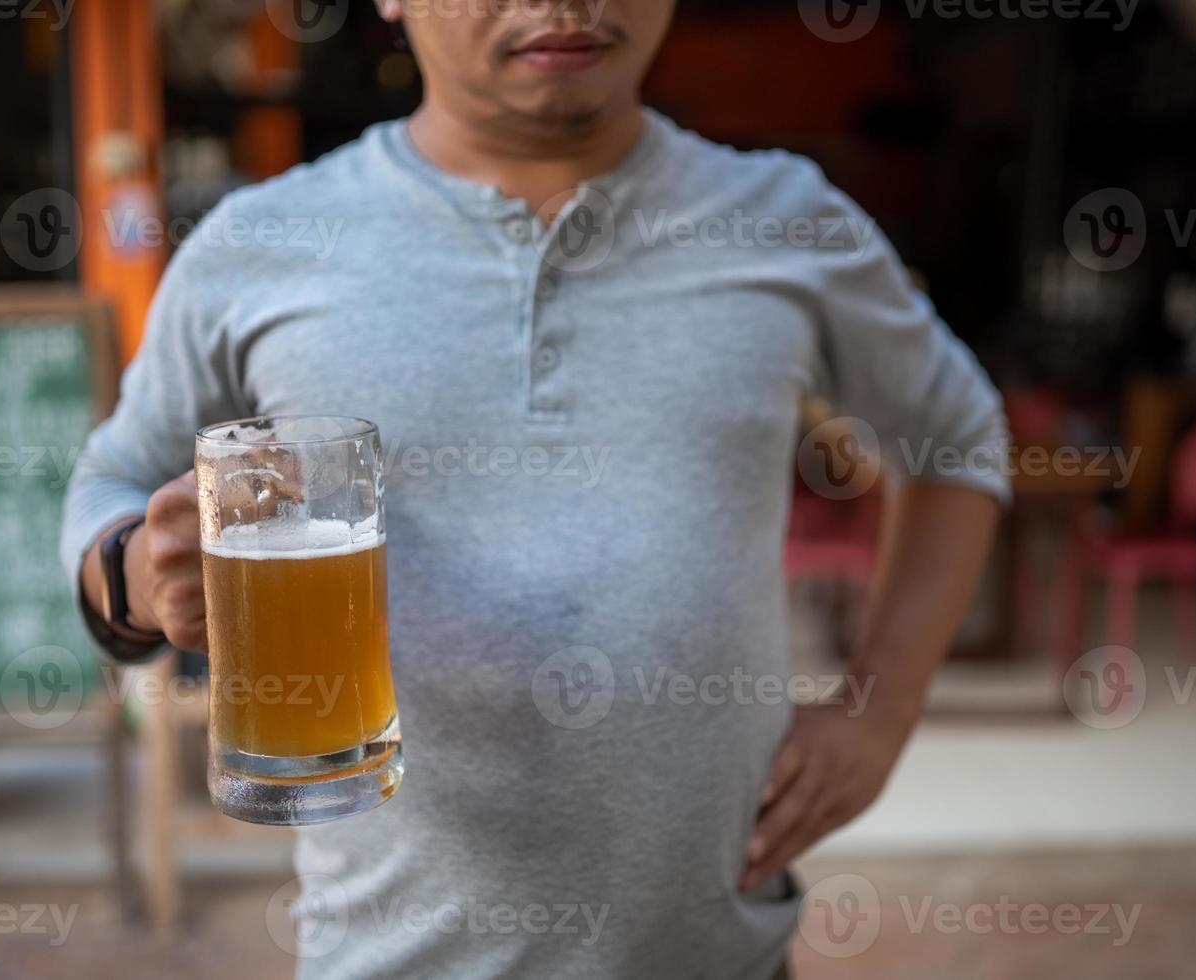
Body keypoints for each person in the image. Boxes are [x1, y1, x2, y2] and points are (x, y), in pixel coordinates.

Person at [61, 1, 1008, 976]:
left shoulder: (784, 221)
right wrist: (131, 571)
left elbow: (955, 435)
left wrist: (880, 709)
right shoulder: (262, 241)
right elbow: (114, 475)